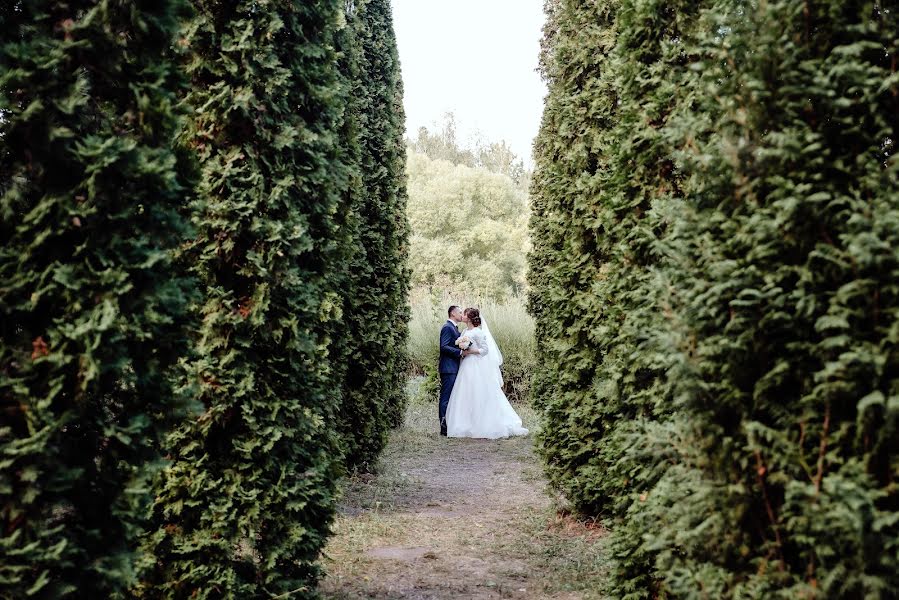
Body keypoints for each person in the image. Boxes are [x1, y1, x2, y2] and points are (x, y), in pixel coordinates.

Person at [445, 308, 528, 439]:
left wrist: (470, 352)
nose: (463, 316)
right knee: (466, 392)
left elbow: (484, 350)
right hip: (465, 365)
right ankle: (466, 423)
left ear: (471, 318)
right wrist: (462, 350)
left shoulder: (478, 332)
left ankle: (483, 423)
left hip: (475, 364)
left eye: (465, 314)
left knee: (479, 391)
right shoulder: (465, 331)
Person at [438, 305, 465, 436]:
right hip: (448, 368)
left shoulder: (453, 327)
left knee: (451, 398)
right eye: (460, 312)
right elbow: (443, 346)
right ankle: (443, 428)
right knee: (446, 398)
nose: (462, 314)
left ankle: (450, 425)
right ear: (453, 313)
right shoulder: (447, 327)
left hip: (453, 367)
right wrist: (460, 352)